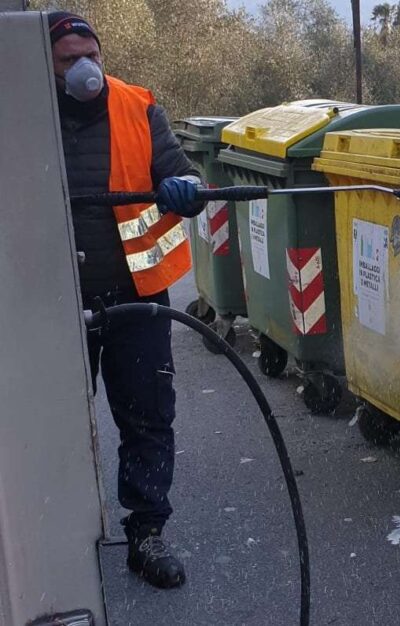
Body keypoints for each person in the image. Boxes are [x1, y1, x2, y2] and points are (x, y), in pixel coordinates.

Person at [49, 10, 203, 589]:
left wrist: (184, 190)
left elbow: (182, 177)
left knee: (146, 414)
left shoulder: (138, 107)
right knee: (53, 421)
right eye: (69, 60)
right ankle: (53, 537)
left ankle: (147, 533)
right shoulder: (22, 116)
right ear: (48, 67)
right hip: (51, 297)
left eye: (91, 55)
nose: (84, 68)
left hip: (134, 296)